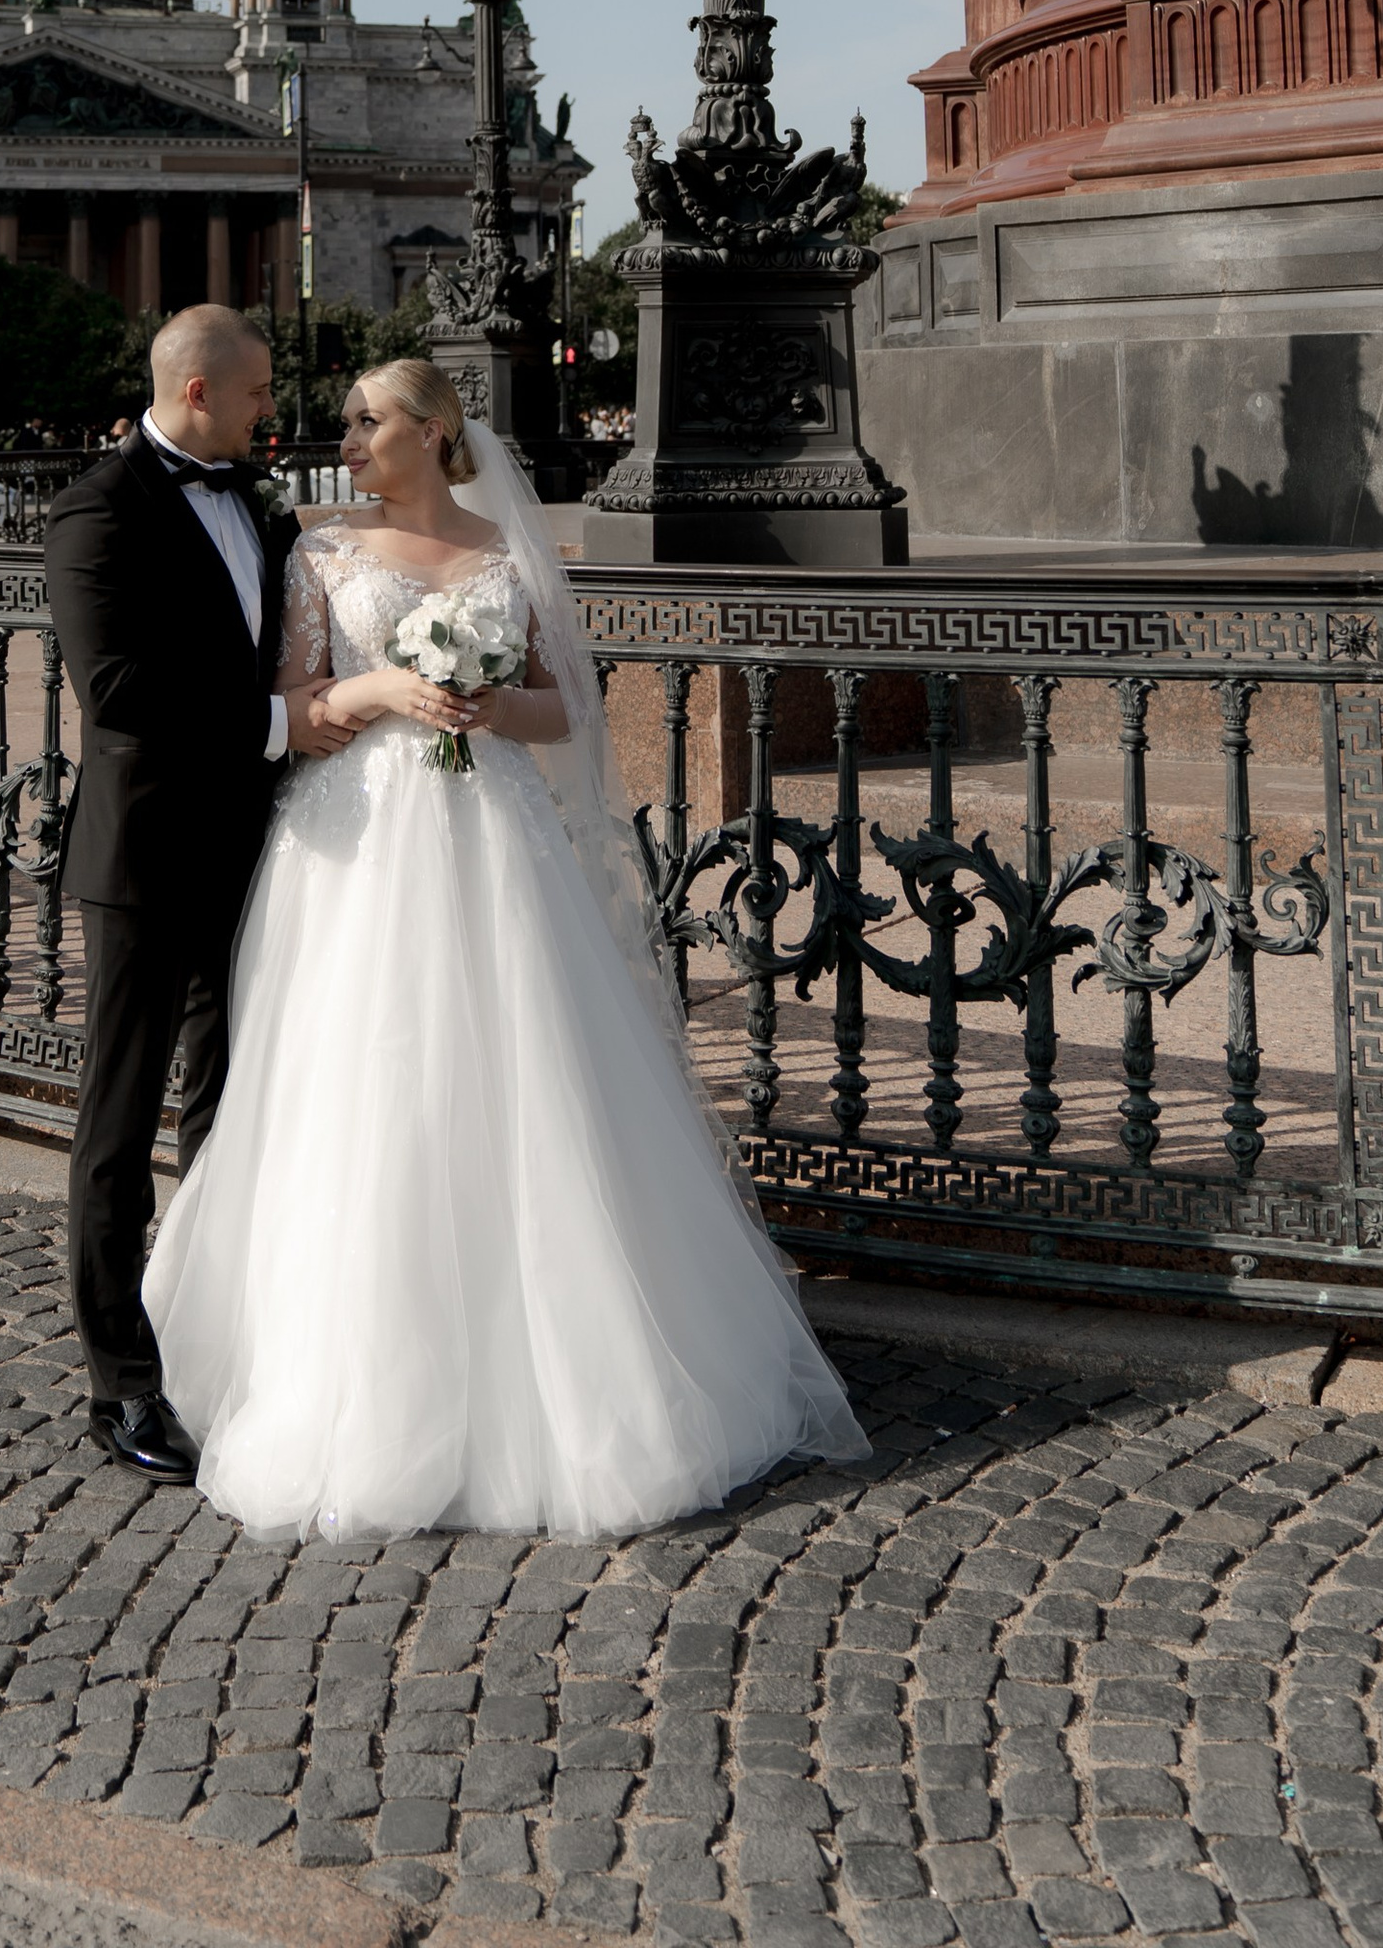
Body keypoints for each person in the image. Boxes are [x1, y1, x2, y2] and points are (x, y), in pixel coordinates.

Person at [143, 357, 868, 1539]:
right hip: (364, 847)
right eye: (343, 418)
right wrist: (384, 689)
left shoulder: (508, 552)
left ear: (432, 433)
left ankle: (564, 1385)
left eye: (365, 419)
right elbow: (298, 705)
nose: (346, 435)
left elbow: (558, 708)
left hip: (494, 840)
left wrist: (483, 705)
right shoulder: (321, 551)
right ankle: (353, 1381)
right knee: (366, 1089)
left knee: (524, 1080)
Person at [44, 305, 358, 1484]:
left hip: (254, 849)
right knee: (116, 1127)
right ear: (195, 398)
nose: (272, 409)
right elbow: (118, 690)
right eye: (258, 394)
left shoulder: (260, 507)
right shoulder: (96, 510)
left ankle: (219, 1339)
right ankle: (119, 1383)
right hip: (142, 861)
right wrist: (284, 724)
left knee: (229, 1106)